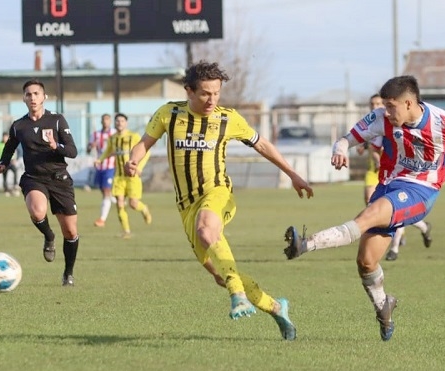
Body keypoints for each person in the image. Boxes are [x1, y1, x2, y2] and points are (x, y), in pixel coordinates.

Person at [283, 75, 445, 341]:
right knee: (366, 262)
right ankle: (383, 305)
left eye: (391, 106)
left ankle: (307, 244)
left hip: (420, 191)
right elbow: (347, 138)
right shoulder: (380, 118)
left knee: (368, 216)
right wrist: (339, 148)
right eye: (384, 107)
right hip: (388, 185)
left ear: (409, 103)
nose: (386, 112)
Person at [124, 60, 314, 341]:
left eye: (216, 93)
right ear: (189, 91)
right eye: (205, 93)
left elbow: (262, 144)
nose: (212, 99)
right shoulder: (169, 114)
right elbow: (144, 143)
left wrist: (292, 174)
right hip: (186, 205)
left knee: (207, 230)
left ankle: (238, 295)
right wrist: (133, 161)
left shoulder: (228, 118)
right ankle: (276, 307)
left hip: (218, 193)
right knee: (220, 274)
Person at [0, 79, 80, 287]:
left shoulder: (57, 120)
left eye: (36, 94)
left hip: (59, 179)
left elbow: (72, 151)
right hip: (34, 178)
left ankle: (68, 273)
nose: (32, 98)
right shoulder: (18, 126)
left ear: (44, 97)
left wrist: (55, 145)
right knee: (37, 212)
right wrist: (3, 163)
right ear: (24, 98)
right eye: (28, 94)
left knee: (70, 232)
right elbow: (10, 147)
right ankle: (49, 236)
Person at [356, 94, 432, 262]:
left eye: (378, 103)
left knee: (390, 209)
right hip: (374, 170)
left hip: (394, 172)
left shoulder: (395, 120)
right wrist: (362, 147)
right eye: (373, 103)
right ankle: (423, 226)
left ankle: (394, 248)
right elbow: (364, 143)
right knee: (372, 207)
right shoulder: (374, 122)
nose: (375, 106)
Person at [96, 113, 152, 238]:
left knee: (133, 204)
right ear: (114, 123)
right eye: (117, 121)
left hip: (132, 177)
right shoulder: (113, 138)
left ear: (126, 123)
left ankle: (144, 209)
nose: (119, 123)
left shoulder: (134, 136)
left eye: (122, 121)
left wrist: (139, 167)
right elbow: (108, 151)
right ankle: (126, 231)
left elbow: (146, 152)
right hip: (119, 176)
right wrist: (100, 160)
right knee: (119, 204)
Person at [87, 113, 116, 226]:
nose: (105, 122)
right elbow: (88, 149)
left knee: (106, 191)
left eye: (107, 119)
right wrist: (91, 146)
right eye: (104, 120)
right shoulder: (95, 134)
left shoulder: (114, 133)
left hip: (111, 166)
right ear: (101, 121)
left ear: (110, 121)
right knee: (104, 191)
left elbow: (118, 149)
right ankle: (114, 200)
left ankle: (102, 219)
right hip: (99, 166)